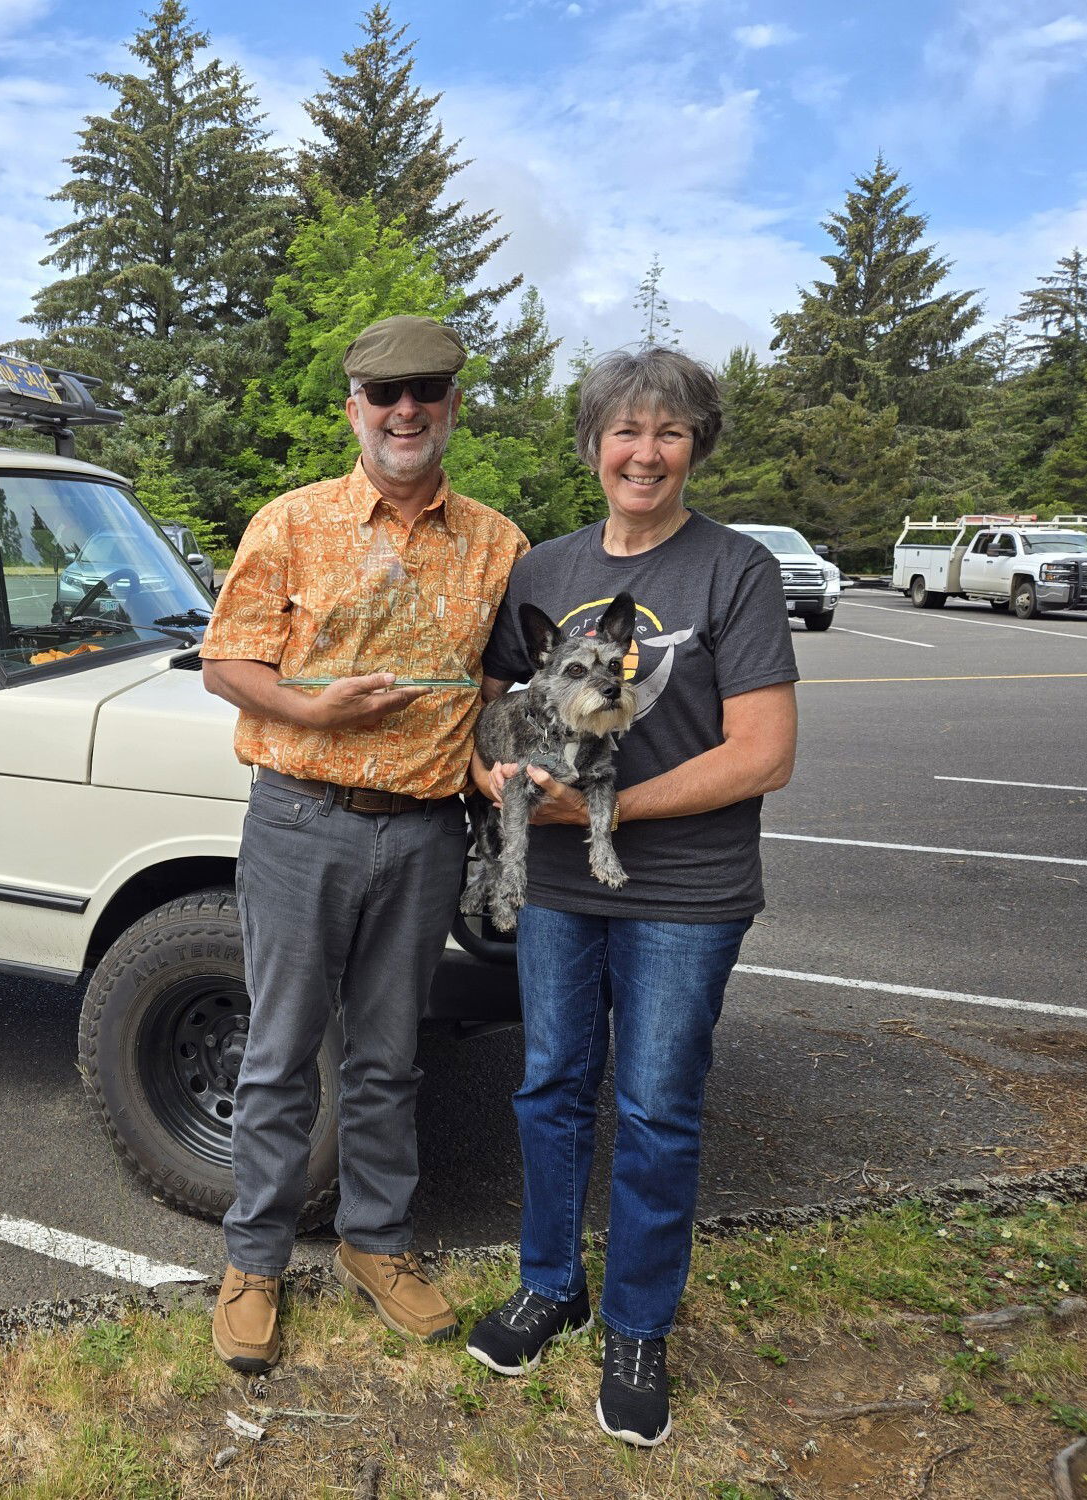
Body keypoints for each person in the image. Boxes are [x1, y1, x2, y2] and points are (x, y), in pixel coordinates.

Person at [465, 346, 799, 1447]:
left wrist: (608, 811)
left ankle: (636, 1324)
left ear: (694, 443)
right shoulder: (543, 570)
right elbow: (488, 719)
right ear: (592, 445)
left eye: (665, 432)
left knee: (656, 1110)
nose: (642, 452)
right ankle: (547, 1284)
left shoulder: (733, 571)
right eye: (623, 432)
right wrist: (499, 780)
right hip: (557, 888)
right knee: (549, 1086)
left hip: (685, 895)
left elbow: (761, 755)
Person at [199, 315, 530, 1374]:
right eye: (382, 395)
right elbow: (225, 665)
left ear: (450, 409)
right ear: (351, 409)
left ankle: (373, 1245)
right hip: (301, 819)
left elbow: (490, 688)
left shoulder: (497, 543)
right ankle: (252, 1261)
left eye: (423, 393)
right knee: (280, 1053)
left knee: (389, 1059)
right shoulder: (290, 524)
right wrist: (313, 710)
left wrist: (491, 767)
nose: (403, 412)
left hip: (426, 833)